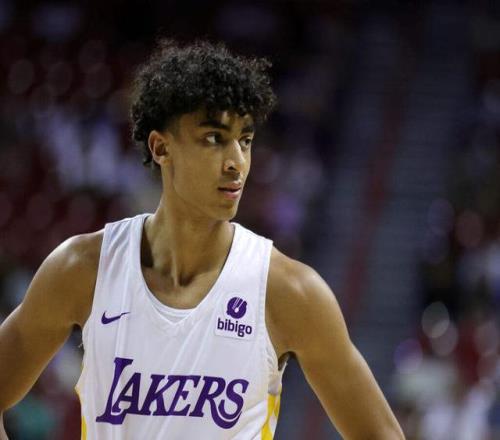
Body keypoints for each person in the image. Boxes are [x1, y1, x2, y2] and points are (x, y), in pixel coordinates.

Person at [0, 39, 405, 439]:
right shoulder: (82, 269)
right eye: (214, 138)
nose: (237, 163)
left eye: (245, 140)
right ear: (161, 147)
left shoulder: (288, 290)